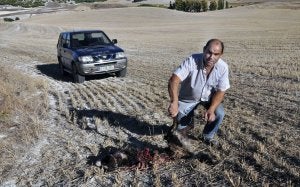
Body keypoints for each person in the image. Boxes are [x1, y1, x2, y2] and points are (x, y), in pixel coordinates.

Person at [168, 39, 230, 146]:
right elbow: (174, 80)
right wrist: (174, 102)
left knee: (219, 113)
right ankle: (186, 123)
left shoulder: (223, 67)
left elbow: (221, 91)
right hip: (188, 98)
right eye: (209, 52)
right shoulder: (192, 60)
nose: (211, 57)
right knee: (179, 129)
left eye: (216, 54)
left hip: (208, 97)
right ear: (204, 50)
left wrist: (211, 109)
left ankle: (207, 136)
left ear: (221, 55)